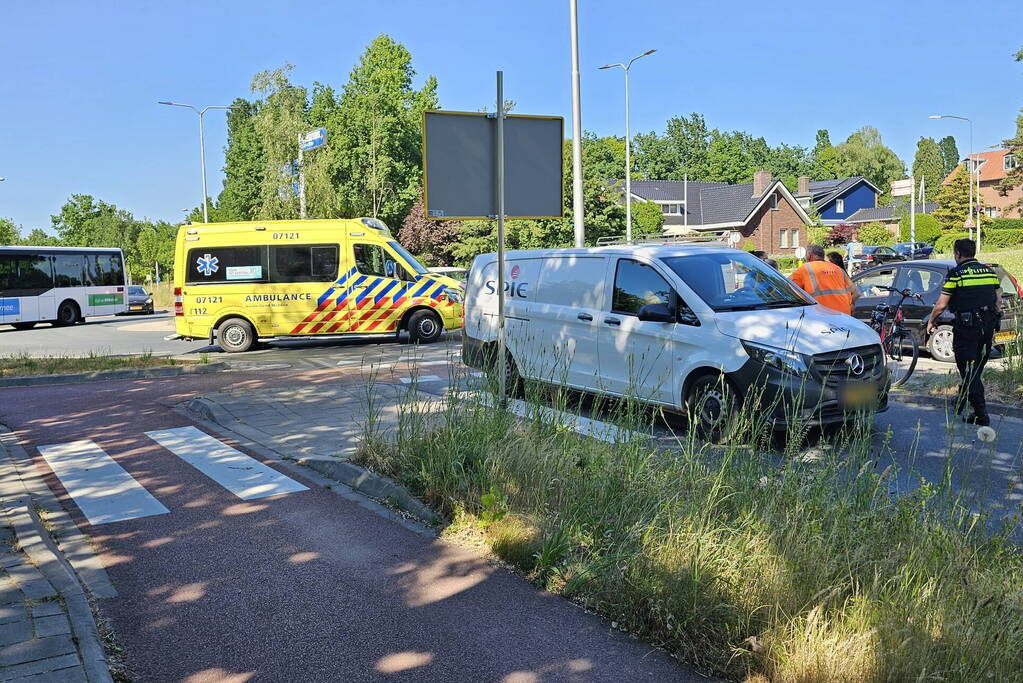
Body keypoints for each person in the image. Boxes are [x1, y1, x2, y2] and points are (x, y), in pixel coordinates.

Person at [926, 238, 1002, 426]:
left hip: (967, 328)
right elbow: (998, 298)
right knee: (975, 368)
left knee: (969, 370)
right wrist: (995, 315)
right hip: (987, 327)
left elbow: (942, 304)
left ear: (958, 254)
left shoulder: (956, 274)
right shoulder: (989, 272)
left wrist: (931, 320)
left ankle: (981, 414)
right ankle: (960, 401)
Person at [789, 244, 860, 315]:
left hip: (821, 315)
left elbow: (787, 286)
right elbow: (856, 293)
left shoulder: (805, 269)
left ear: (809, 256)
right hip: (844, 315)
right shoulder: (838, 269)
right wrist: (850, 305)